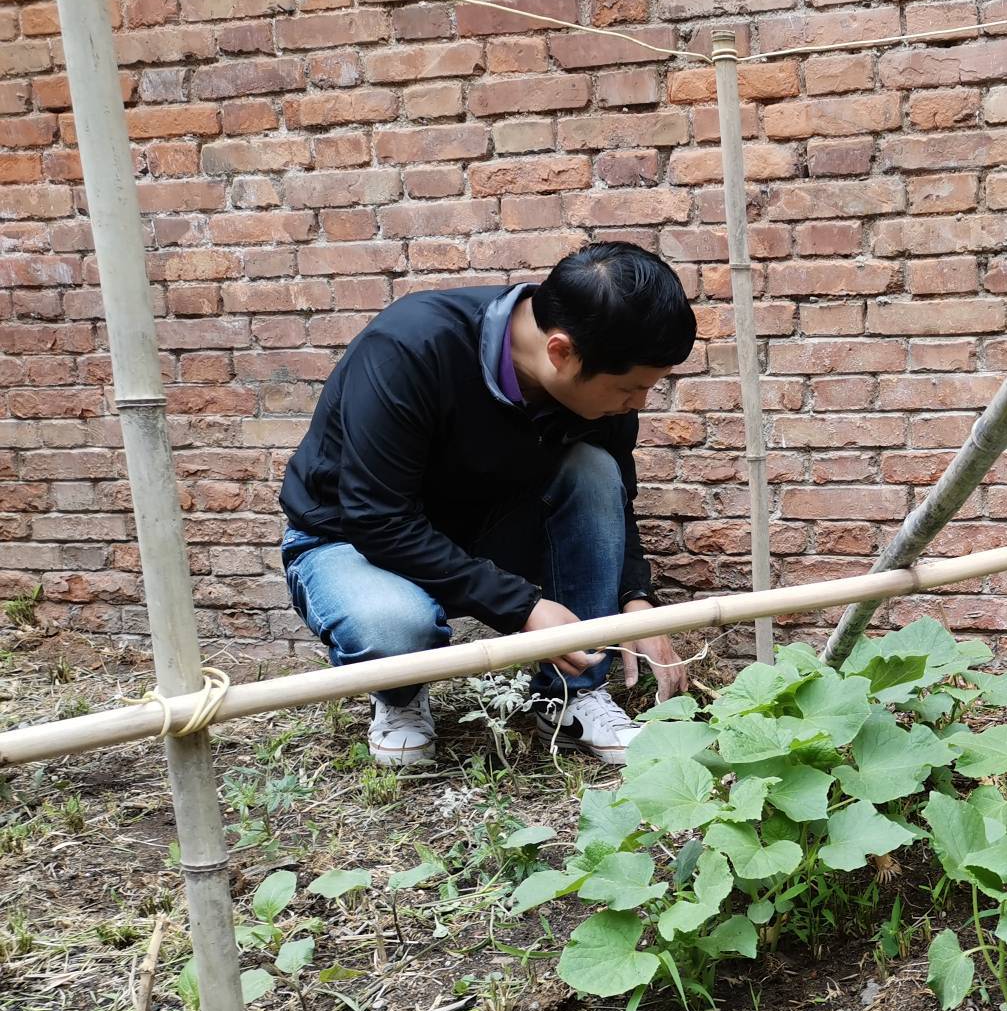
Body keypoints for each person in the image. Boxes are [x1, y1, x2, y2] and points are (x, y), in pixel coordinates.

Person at [278, 241, 696, 768]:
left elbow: (615, 499)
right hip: (352, 540)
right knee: (394, 625)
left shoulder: (602, 383)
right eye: (632, 388)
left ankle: (571, 697)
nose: (638, 404)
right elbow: (377, 518)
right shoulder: (411, 348)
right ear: (561, 352)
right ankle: (400, 697)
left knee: (593, 469)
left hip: (484, 528)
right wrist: (522, 607)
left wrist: (635, 597)